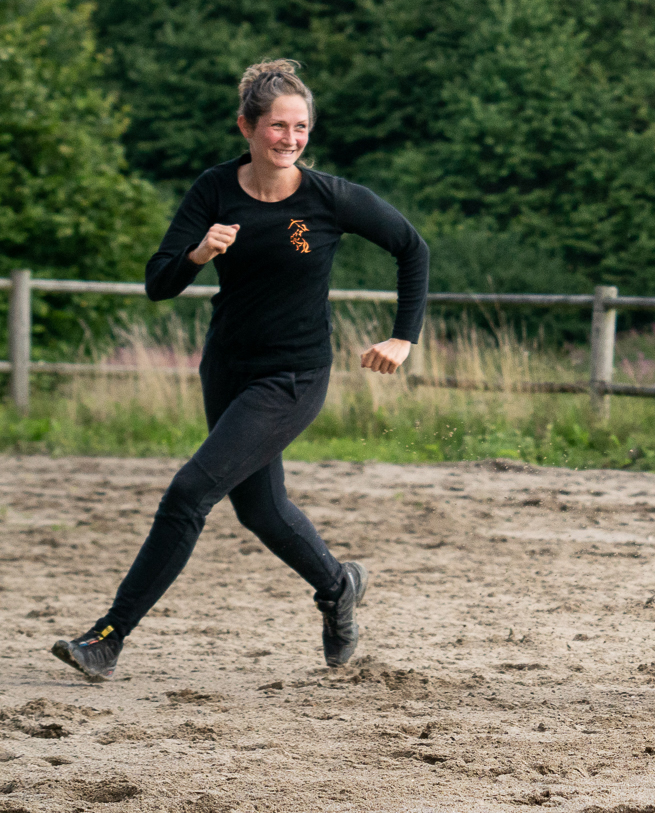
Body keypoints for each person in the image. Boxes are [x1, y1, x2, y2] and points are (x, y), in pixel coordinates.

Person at [51, 60, 429, 681]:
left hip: (294, 376)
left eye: (301, 126)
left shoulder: (328, 198)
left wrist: (402, 337)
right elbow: (158, 282)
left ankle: (107, 637)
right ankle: (338, 586)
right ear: (247, 128)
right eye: (278, 126)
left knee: (188, 494)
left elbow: (413, 248)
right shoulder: (214, 190)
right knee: (259, 509)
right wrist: (199, 253)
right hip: (227, 368)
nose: (291, 138)